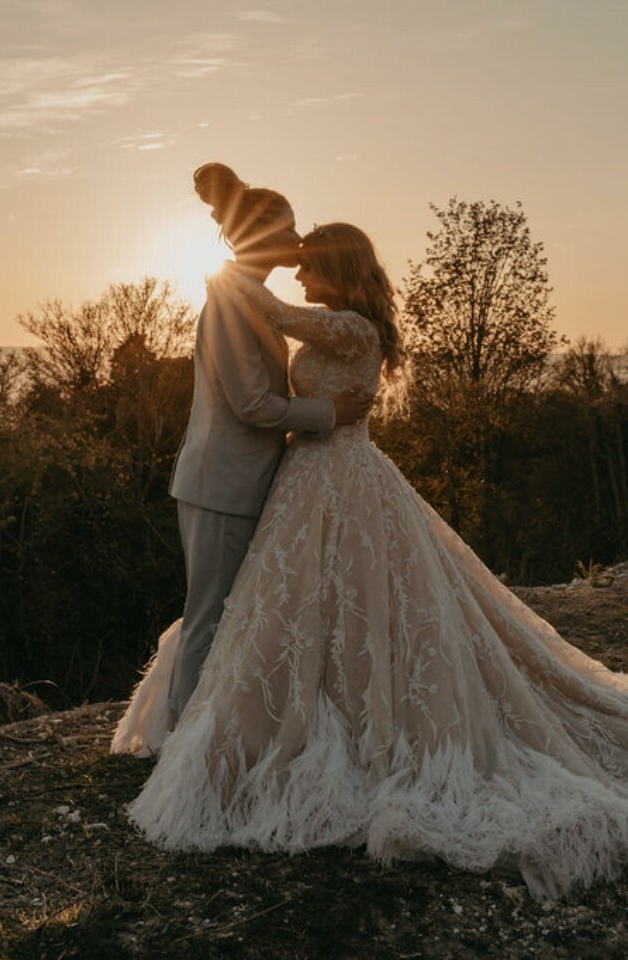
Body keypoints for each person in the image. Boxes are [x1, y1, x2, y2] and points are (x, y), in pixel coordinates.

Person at [113, 222, 628, 901]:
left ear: (337, 268)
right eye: (296, 263)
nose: (298, 274)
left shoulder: (353, 328)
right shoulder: (345, 325)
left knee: (356, 598)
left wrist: (233, 253)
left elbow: (270, 310)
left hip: (342, 479)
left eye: (309, 264)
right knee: (304, 605)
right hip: (308, 478)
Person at [160, 165, 371, 724]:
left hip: (244, 481)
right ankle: (179, 740)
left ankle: (214, 730)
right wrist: (330, 412)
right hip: (221, 483)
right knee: (210, 616)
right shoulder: (232, 303)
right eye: (289, 230)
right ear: (261, 237)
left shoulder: (248, 297)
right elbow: (251, 404)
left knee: (234, 614)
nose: (299, 241)